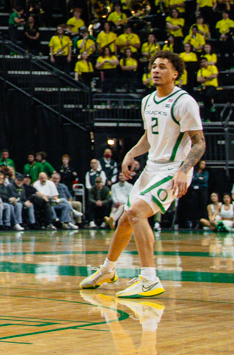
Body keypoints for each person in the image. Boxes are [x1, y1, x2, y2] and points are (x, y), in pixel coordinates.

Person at [80, 53, 204, 299]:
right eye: (153, 66)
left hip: (173, 169)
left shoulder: (184, 101)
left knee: (136, 212)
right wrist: (131, 153)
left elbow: (199, 143)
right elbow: (149, 136)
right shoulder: (147, 101)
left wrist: (184, 170)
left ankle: (149, 279)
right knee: (126, 219)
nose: (155, 70)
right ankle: (108, 270)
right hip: (151, 169)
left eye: (162, 67)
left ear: (175, 73)